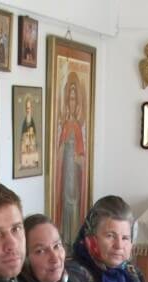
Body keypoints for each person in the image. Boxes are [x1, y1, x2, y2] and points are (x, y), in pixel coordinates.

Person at [55, 74, 87, 242]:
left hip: (74, 169)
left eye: (75, 99)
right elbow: (59, 149)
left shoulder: (77, 127)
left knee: (74, 199)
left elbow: (82, 154)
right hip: (65, 168)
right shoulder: (66, 126)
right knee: (66, 199)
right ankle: (66, 236)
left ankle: (74, 235)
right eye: (70, 99)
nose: (72, 102)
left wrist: (78, 159)